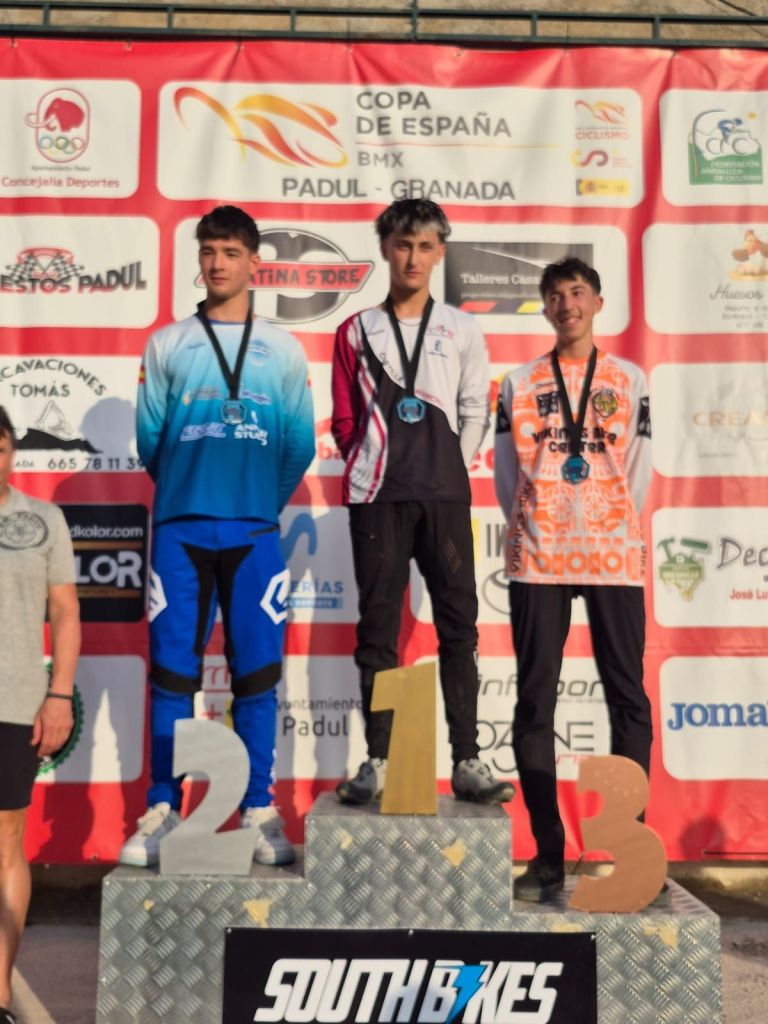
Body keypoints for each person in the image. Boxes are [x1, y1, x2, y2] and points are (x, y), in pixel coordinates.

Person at [121, 206, 315, 869]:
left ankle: (257, 807)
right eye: (208, 251)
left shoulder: (283, 349)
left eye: (231, 252)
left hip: (254, 533)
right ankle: (163, 807)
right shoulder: (168, 343)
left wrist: (255, 502)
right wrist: (189, 490)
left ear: (255, 262)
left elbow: (297, 445)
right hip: (180, 530)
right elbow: (151, 441)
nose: (217, 263)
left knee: (256, 674)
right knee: (172, 673)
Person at [331, 197, 515, 806]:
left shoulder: (461, 327)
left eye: (425, 246)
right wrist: (378, 463)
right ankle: (377, 762)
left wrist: (446, 467)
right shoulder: (356, 330)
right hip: (377, 497)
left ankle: (467, 760)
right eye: (403, 244)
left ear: (440, 252)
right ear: (386, 248)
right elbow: (345, 421)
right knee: (377, 629)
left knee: (459, 627)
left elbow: (474, 407)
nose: (413, 257)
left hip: (443, 499)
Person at [494, 257, 653, 902]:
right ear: (545, 307)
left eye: (578, 292)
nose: (567, 304)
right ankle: (549, 856)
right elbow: (508, 476)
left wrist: (607, 515)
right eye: (556, 295)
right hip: (541, 552)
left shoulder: (630, 379)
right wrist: (541, 518)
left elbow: (638, 468)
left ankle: (628, 853)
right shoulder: (518, 382)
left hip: (612, 551)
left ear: (597, 302)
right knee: (535, 703)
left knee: (627, 698)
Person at [0, 406, 80, 1024]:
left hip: (14, 703)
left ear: (12, 452)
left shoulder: (43, 519)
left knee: (6, 845)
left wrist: (59, 695)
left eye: (0, 448)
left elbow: (65, 611)